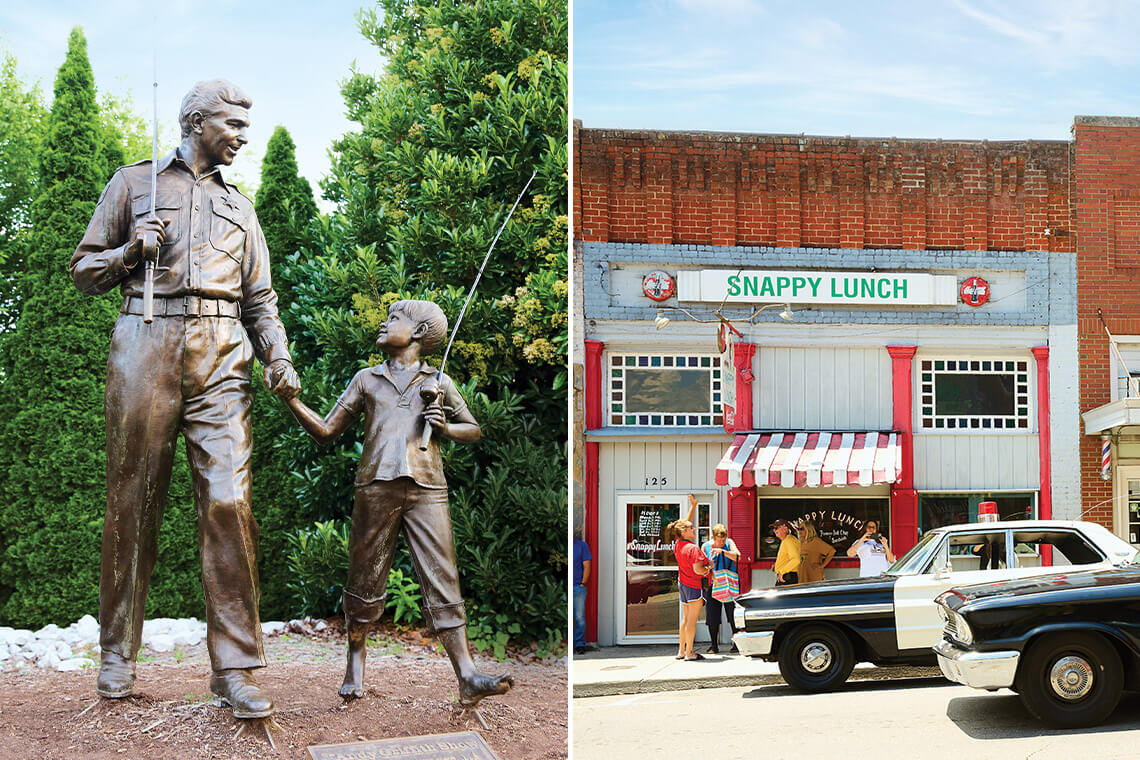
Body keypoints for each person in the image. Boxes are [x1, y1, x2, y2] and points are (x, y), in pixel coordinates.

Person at [72, 80, 300, 717]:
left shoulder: (241, 208)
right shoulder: (133, 183)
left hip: (223, 352)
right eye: (234, 124)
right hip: (146, 340)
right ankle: (117, 655)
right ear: (197, 122)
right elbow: (83, 271)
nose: (244, 137)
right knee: (134, 498)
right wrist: (128, 252)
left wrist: (278, 356)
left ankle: (235, 668)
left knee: (230, 500)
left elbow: (261, 299)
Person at [276, 299, 513, 706]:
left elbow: (473, 429)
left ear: (418, 333)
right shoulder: (366, 379)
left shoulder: (438, 382)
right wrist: (291, 400)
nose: (384, 324)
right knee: (364, 577)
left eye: (394, 319)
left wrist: (445, 428)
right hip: (376, 486)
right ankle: (355, 660)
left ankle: (467, 675)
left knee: (443, 576)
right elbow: (327, 431)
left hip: (427, 488)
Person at [665, 494, 710, 661]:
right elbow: (698, 570)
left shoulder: (679, 543)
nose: (694, 528)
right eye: (691, 528)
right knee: (692, 621)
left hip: (683, 584)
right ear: (684, 532)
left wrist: (694, 506)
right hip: (693, 585)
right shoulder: (693, 549)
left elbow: (685, 522)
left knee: (685, 619)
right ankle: (690, 653)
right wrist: (709, 568)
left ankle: (681, 651)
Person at [701, 524, 740, 653]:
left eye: (724, 539)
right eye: (720, 540)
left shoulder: (729, 543)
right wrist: (708, 566)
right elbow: (701, 565)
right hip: (714, 583)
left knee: (732, 614)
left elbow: (738, 556)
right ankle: (713, 645)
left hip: (729, 583)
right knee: (712, 615)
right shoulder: (706, 546)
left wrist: (723, 551)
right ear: (713, 538)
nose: (722, 542)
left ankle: (737, 644)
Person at [573, 533, 593, 655]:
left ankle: (579, 644)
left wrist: (583, 583)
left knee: (579, 617)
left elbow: (587, 565)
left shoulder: (581, 546)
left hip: (577, 587)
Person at [772, 519, 801, 586]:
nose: (774, 530)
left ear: (785, 529)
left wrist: (782, 571)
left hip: (787, 578)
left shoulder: (789, 541)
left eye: (776, 528)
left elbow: (796, 559)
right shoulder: (786, 540)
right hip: (787, 576)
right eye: (773, 528)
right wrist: (777, 566)